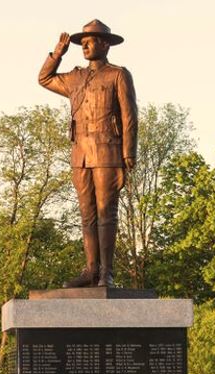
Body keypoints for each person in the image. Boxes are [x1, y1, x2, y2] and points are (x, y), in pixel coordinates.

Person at [38, 19, 137, 288]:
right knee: (87, 215)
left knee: (107, 213)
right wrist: (57, 53)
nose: (85, 45)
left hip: (108, 151)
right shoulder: (75, 78)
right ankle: (91, 270)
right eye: (82, 42)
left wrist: (129, 153)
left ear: (105, 44)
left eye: (90, 41)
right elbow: (44, 78)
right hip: (80, 153)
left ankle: (107, 272)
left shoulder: (117, 74)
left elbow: (129, 116)